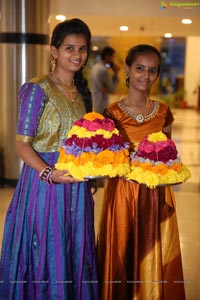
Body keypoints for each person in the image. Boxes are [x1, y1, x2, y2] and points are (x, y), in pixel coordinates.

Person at [0, 18, 99, 300]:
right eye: (69, 48)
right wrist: (49, 174)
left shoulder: (81, 94)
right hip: (45, 187)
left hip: (76, 187)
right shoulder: (37, 88)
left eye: (82, 49)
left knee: (74, 246)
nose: (77, 55)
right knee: (46, 246)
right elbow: (22, 145)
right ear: (54, 51)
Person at [97, 44, 186, 300]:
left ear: (157, 74)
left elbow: (169, 153)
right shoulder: (111, 114)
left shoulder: (163, 112)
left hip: (156, 193)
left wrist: (167, 171)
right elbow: (109, 160)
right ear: (127, 69)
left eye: (152, 70)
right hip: (123, 192)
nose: (145, 76)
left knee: (153, 246)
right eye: (139, 69)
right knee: (123, 250)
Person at [90, 46, 120, 114]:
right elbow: (112, 89)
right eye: (112, 57)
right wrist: (116, 73)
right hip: (102, 104)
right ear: (107, 56)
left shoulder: (95, 67)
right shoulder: (103, 70)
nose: (113, 59)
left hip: (95, 102)